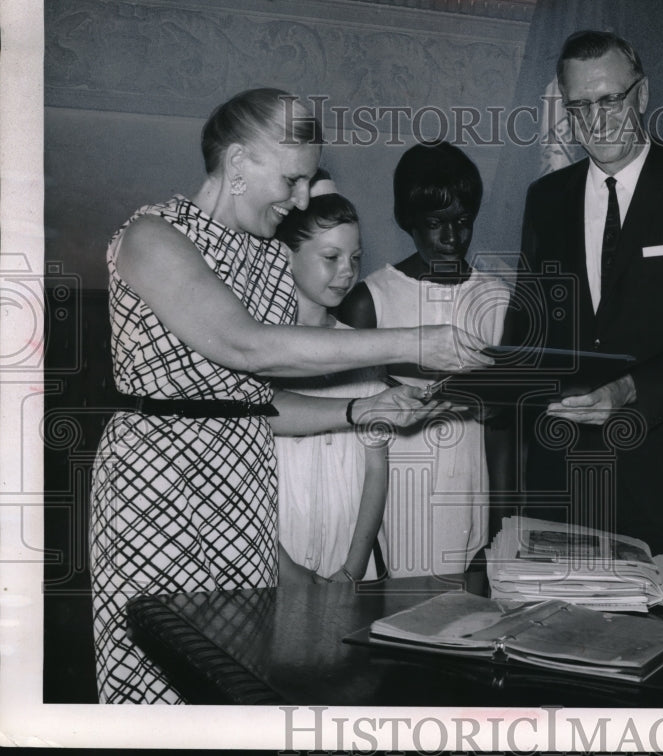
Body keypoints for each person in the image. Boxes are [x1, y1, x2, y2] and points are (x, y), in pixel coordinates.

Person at [90, 89, 491, 703]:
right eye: (293, 179)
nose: (301, 199)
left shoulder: (271, 262)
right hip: (160, 486)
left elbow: (249, 403)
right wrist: (413, 340)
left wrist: (358, 411)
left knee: (245, 678)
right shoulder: (153, 235)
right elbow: (246, 346)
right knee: (163, 684)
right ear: (238, 162)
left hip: (246, 491)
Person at [502, 30, 663, 552]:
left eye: (609, 100)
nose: (595, 122)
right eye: (579, 107)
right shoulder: (546, 199)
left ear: (641, 95)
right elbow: (526, 334)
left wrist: (626, 390)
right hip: (560, 486)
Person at [338, 141, 510, 577]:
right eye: (436, 224)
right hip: (396, 485)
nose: (452, 238)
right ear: (407, 220)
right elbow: (352, 425)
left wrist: (501, 523)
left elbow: (504, 427)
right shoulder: (370, 300)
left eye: (463, 222)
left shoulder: (497, 299)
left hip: (471, 484)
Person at [273, 173, 388, 585]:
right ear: (286, 255)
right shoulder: (259, 351)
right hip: (275, 560)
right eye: (330, 257)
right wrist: (287, 571)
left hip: (349, 557)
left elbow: (376, 470)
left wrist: (353, 569)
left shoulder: (362, 351)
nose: (346, 272)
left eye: (355, 258)